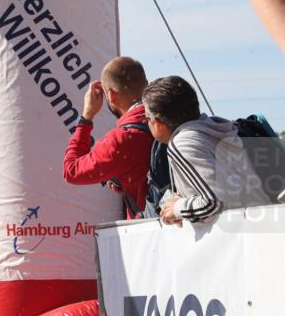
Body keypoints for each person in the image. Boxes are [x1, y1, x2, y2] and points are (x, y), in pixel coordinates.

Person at [141, 76, 272, 225]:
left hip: (242, 236)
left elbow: (216, 202)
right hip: (263, 224)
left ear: (158, 122)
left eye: (146, 118)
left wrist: (178, 208)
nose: (146, 123)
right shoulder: (216, 129)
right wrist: (183, 205)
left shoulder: (182, 143)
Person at [61, 57, 154, 219]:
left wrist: (86, 117)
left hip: (154, 233)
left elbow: (71, 170)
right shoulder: (167, 118)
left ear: (110, 95)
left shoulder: (121, 140)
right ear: (146, 84)